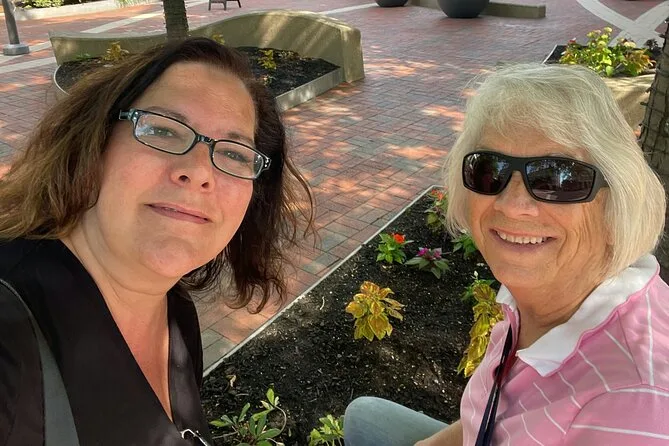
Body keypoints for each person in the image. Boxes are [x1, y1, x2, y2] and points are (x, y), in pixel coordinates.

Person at [0, 37, 312, 445]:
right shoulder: (10, 335)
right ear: (93, 142)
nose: (199, 172)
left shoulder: (176, 313)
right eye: (163, 130)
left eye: (235, 153)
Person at [344, 63, 669, 445]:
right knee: (363, 414)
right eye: (490, 169)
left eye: (557, 177)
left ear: (617, 198)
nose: (513, 205)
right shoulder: (547, 296)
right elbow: (495, 415)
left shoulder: (632, 405)